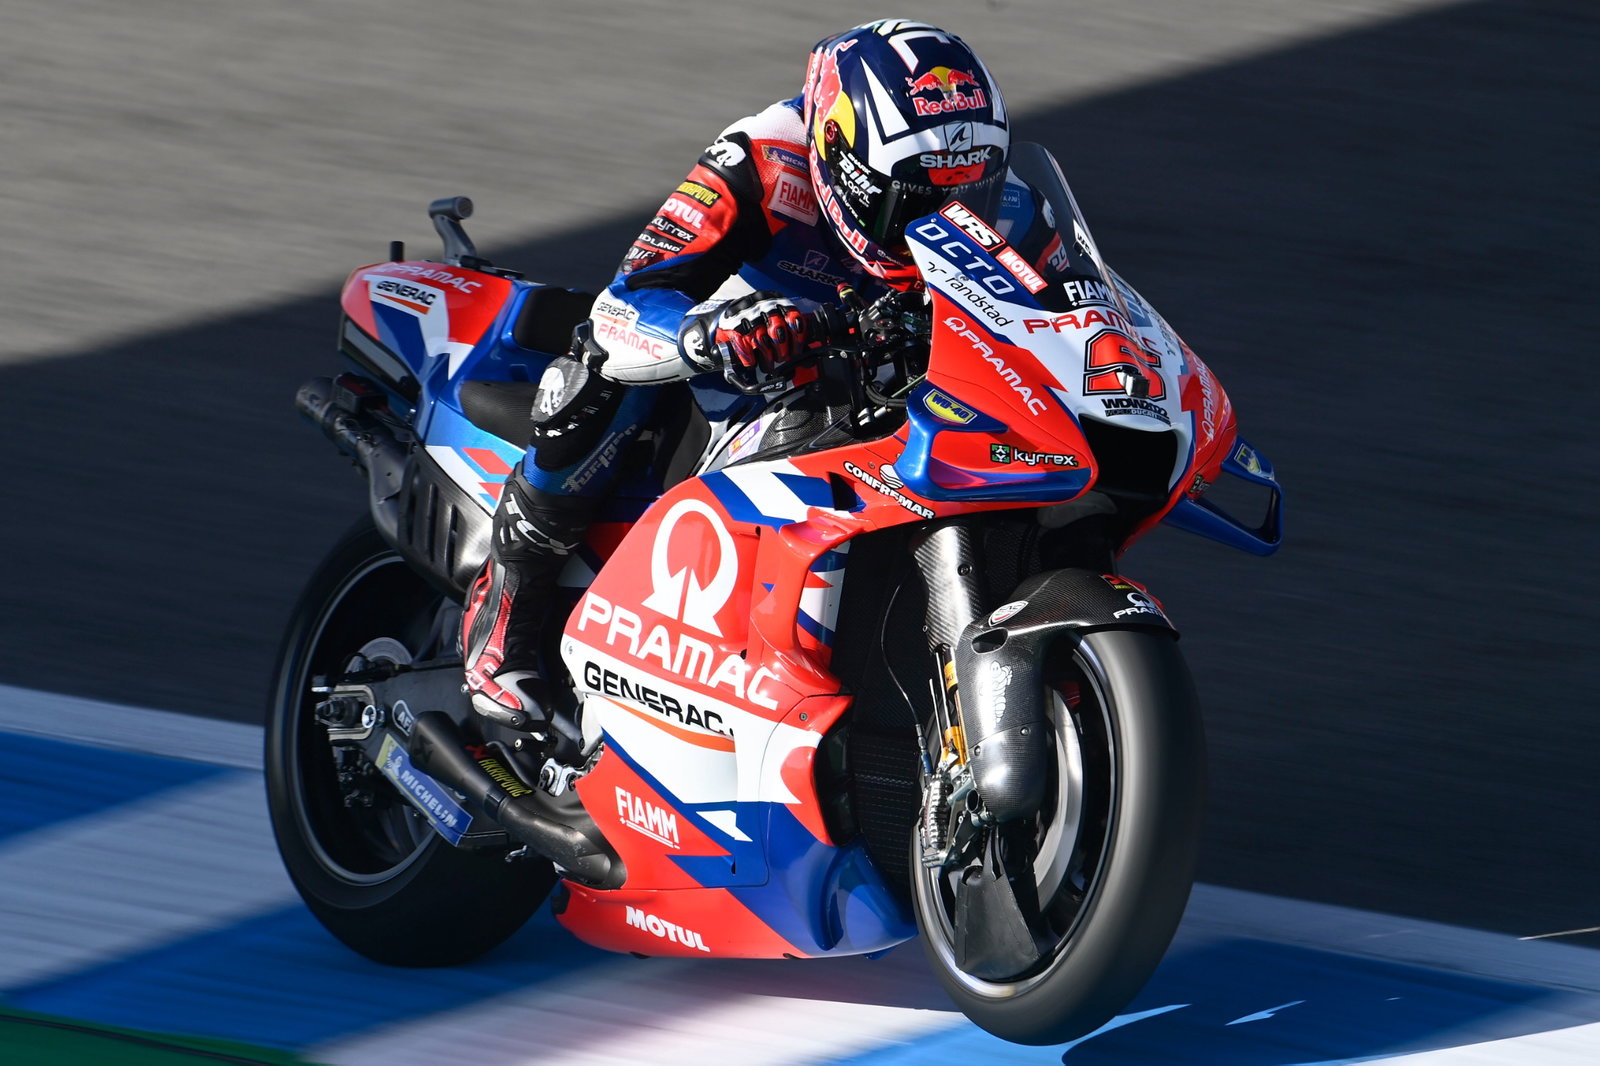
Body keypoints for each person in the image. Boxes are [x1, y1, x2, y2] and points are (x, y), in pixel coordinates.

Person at [460, 19, 1012, 749]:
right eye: (912, 200)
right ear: (842, 163)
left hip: (878, 384)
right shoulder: (764, 158)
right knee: (597, 361)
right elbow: (625, 302)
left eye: (970, 192)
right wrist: (709, 333)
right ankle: (508, 606)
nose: (943, 217)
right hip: (730, 375)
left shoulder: (991, 191)